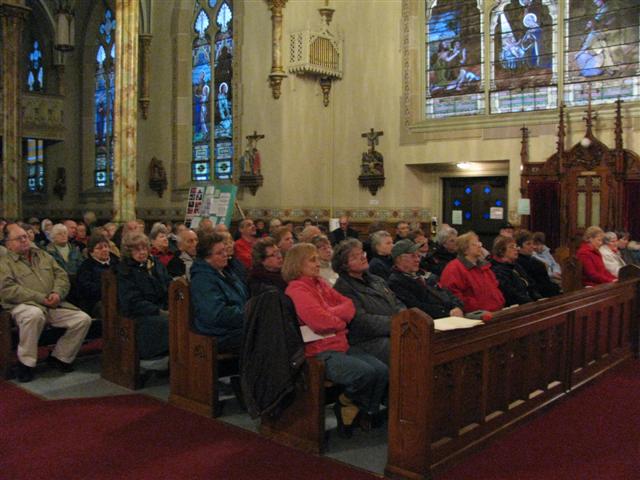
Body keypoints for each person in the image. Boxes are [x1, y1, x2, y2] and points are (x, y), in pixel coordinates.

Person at [284, 243, 388, 437]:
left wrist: (331, 314)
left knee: (381, 370)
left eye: (318, 259)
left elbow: (349, 305)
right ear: (297, 264)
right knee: (364, 373)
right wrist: (339, 321)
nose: (318, 263)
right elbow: (320, 322)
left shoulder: (320, 283)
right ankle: (348, 403)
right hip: (319, 351)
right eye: (312, 260)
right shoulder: (297, 290)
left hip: (340, 344)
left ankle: (358, 408)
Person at [0, 223, 91, 382]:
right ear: (8, 244)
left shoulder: (43, 255)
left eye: (25, 236)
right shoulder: (4, 263)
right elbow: (8, 290)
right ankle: (26, 364)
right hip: (22, 306)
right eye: (19, 238)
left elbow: (61, 276)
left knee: (82, 319)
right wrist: (41, 298)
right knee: (34, 315)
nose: (24, 240)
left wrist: (57, 293)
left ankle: (60, 357)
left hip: (52, 304)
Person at [333, 239, 405, 366]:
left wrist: (405, 316)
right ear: (344, 265)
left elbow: (396, 301)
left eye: (362, 253)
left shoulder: (377, 280)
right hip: (368, 340)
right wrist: (396, 322)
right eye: (355, 257)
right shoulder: (343, 288)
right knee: (406, 349)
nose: (362, 257)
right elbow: (361, 321)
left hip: (396, 329)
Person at [116, 232, 172, 362]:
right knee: (170, 323)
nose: (142, 252)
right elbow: (132, 302)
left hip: (162, 308)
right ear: (129, 251)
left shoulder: (155, 263)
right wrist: (159, 311)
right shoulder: (125, 270)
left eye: (144, 248)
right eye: (137, 249)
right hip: (141, 315)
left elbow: (168, 284)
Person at [190, 233, 248, 353]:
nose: (225, 255)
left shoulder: (225, 272)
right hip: (218, 334)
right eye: (219, 253)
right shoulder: (202, 280)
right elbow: (215, 315)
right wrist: (248, 314)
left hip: (236, 326)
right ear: (206, 258)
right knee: (264, 333)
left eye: (225, 250)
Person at [388, 239, 463, 319]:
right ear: (399, 259)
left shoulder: (424, 274)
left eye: (418, 256)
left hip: (451, 315)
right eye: (413, 256)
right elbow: (416, 307)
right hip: (434, 321)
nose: (418, 260)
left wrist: (457, 306)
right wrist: (447, 313)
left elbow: (447, 292)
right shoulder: (396, 282)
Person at [440, 231, 505, 313]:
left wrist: (499, 301)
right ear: (465, 249)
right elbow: (453, 295)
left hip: (495, 312)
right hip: (476, 315)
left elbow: (495, 287)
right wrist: (477, 307)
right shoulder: (454, 268)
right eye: (474, 244)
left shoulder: (484, 267)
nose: (479, 246)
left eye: (479, 243)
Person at [490, 236, 542, 307]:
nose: (516, 249)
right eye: (511, 247)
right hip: (517, 306)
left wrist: (538, 298)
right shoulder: (497, 270)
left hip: (529, 302)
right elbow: (510, 294)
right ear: (501, 251)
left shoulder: (516, 265)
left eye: (516, 246)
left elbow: (530, 283)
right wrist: (530, 302)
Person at [76, 233, 119, 317]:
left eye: (106, 246)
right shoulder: (86, 267)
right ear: (91, 252)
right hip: (97, 302)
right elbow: (86, 289)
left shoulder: (117, 263)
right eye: (99, 248)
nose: (104, 250)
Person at [515, 230, 561, 297]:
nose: (532, 246)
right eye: (528, 244)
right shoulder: (519, 263)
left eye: (532, 243)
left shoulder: (532, 260)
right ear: (519, 247)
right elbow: (534, 285)